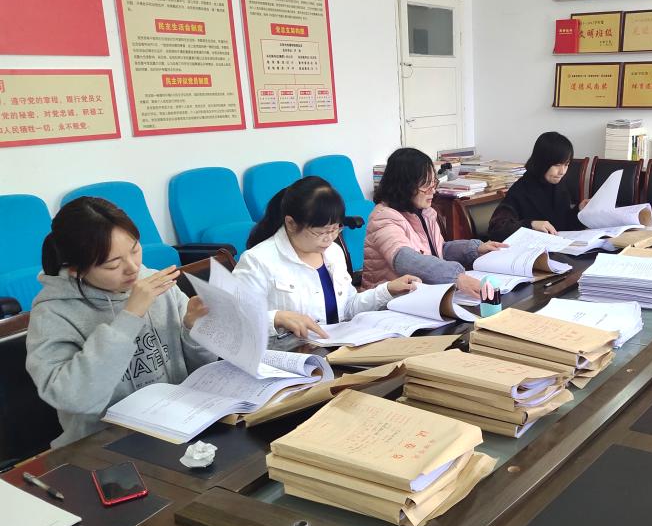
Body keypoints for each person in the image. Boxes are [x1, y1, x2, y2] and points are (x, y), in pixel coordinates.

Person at [25, 197, 215, 448]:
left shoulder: (155, 283)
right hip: (104, 445)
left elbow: (200, 370)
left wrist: (192, 328)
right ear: (75, 269)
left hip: (178, 424)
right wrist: (130, 317)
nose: (133, 268)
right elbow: (73, 398)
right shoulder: (53, 313)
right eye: (112, 264)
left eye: (135, 249)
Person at [234, 176, 419, 340]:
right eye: (321, 232)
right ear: (290, 223)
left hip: (335, 347)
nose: (329, 238)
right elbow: (232, 320)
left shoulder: (333, 253)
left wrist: (388, 290)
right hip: (288, 357)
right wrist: (276, 318)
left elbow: (348, 308)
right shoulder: (257, 261)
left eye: (335, 229)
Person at [362, 147, 505, 298]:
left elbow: (438, 250)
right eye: (425, 184)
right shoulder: (383, 217)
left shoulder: (424, 212)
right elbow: (405, 260)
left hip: (421, 295)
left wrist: (475, 249)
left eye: (433, 182)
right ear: (404, 185)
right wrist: (456, 277)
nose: (433, 190)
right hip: (388, 302)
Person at [487, 131, 588, 241]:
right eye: (557, 165)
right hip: (530, 249)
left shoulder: (558, 185)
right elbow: (496, 229)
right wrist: (531, 224)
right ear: (542, 162)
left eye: (566, 164)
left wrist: (579, 210)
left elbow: (563, 223)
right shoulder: (521, 189)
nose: (562, 171)